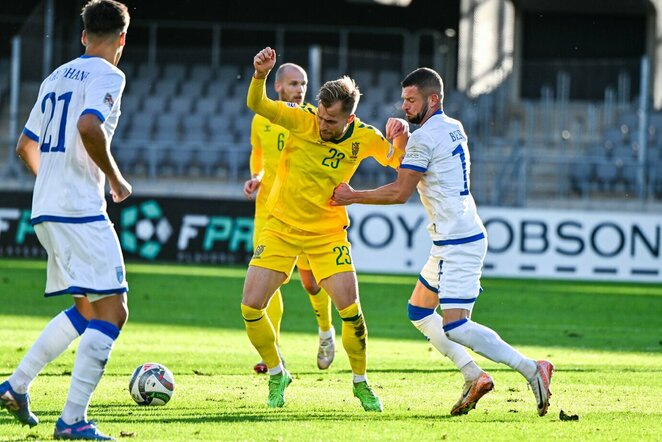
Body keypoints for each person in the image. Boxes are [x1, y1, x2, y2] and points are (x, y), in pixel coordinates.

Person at [331, 67, 555, 417]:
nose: (404, 106)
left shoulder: (425, 138)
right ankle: (474, 374)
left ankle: (532, 369)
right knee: (419, 312)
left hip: (459, 242)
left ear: (433, 99)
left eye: (411, 100)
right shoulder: (453, 128)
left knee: (457, 325)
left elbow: (400, 192)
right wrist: (403, 143)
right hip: (451, 238)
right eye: (403, 99)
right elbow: (416, 170)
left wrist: (351, 195)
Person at [242, 46, 407, 412]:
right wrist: (259, 75)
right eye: (320, 116)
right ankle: (276, 373)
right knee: (251, 306)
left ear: (349, 120)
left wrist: (400, 134)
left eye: (330, 121)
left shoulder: (363, 137)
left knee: (352, 311)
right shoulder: (301, 119)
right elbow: (258, 104)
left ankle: (361, 382)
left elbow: (398, 162)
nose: (321, 124)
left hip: (327, 235)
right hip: (281, 228)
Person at [0, 1, 132, 439]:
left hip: (47, 209)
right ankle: (73, 421)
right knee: (113, 312)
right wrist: (115, 180)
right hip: (78, 209)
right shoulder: (109, 75)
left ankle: (16, 387)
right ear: (122, 39)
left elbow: (24, 145)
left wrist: (53, 183)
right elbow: (89, 127)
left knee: (85, 309)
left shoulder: (55, 76)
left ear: (82, 36)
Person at [243, 63, 336, 374]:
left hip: (304, 212)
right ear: (278, 87)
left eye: (304, 83)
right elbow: (259, 154)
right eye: (294, 84)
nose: (300, 89)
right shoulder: (262, 119)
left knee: (311, 282)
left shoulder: (314, 118)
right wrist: (257, 175)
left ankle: (325, 332)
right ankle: (275, 351)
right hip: (268, 212)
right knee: (269, 283)